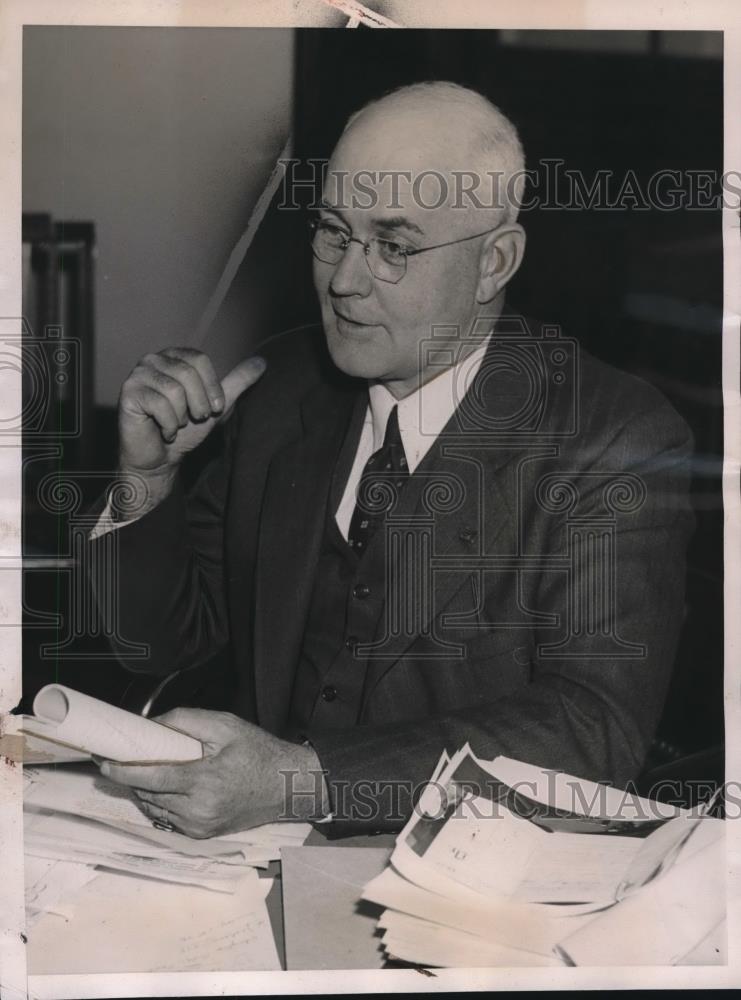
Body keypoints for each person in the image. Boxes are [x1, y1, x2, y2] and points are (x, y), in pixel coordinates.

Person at [90, 81, 695, 839]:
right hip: (246, 858)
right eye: (333, 232)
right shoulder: (283, 390)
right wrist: (149, 481)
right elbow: (159, 647)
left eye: (394, 247)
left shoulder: (612, 438)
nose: (344, 281)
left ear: (494, 262)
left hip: (469, 875)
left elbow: (592, 731)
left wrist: (305, 782)